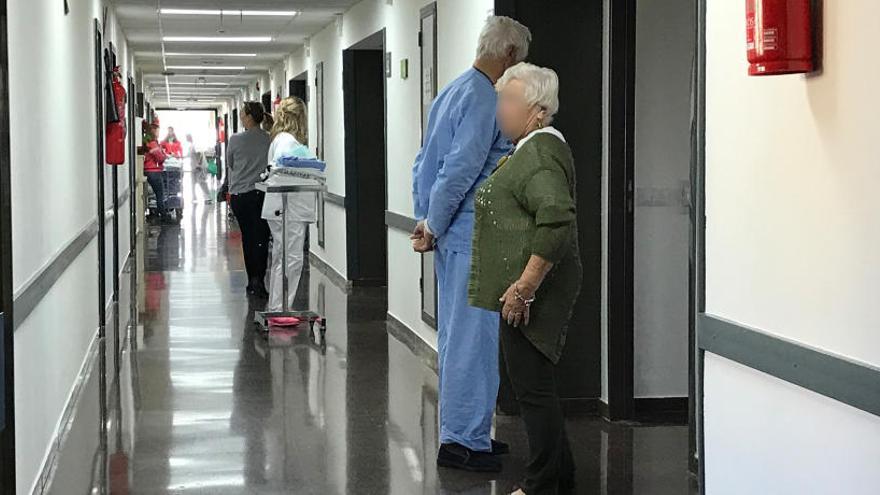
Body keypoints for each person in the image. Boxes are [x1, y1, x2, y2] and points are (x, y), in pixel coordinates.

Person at [410, 15, 532, 473]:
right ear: (508, 56)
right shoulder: (484, 98)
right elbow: (459, 171)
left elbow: (425, 164)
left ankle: (472, 432)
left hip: (456, 235)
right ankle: (461, 442)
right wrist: (435, 226)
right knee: (470, 342)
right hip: (469, 237)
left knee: (463, 338)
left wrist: (426, 218)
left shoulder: (453, 90)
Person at [469, 63, 581, 495]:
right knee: (534, 387)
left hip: (533, 294)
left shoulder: (539, 152)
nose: (500, 109)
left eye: (509, 100)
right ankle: (560, 477)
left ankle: (541, 485)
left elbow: (556, 218)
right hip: (523, 292)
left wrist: (525, 286)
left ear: (537, 108)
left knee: (533, 391)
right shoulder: (527, 147)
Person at [262, 97, 318, 312]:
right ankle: (280, 309)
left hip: (281, 207)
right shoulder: (287, 141)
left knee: (281, 256)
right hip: (289, 208)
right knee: (291, 258)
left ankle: (279, 306)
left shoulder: (279, 139)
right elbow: (287, 172)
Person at [228, 101, 272, 298]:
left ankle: (252, 280)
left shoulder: (235, 140)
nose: (241, 118)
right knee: (261, 237)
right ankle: (260, 280)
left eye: (243, 114)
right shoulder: (270, 139)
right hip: (263, 194)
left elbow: (230, 163)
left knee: (248, 237)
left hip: (241, 195)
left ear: (248, 117)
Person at [144, 123, 172, 224]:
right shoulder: (152, 143)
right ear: (154, 132)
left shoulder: (150, 142)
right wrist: (164, 157)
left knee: (158, 194)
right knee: (159, 194)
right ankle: (163, 215)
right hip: (153, 171)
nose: (159, 133)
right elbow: (159, 157)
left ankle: (159, 213)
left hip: (150, 170)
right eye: (157, 131)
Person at [185, 133, 212, 204]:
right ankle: (194, 197)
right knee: (193, 183)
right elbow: (188, 155)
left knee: (201, 182)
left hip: (200, 167)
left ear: (190, 137)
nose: (186, 138)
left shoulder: (195, 144)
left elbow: (199, 154)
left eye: (187, 137)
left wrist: (198, 164)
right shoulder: (190, 146)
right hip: (194, 168)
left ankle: (208, 198)